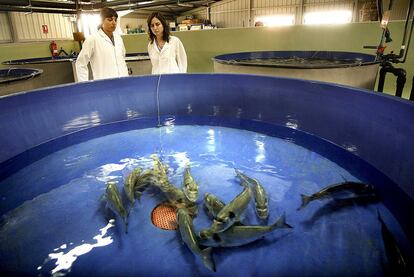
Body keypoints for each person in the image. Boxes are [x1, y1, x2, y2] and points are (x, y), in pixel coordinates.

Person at [75, 7, 128, 82]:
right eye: (110, 20)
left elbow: (122, 58)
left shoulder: (119, 39)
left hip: (123, 82)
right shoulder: (93, 39)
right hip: (104, 84)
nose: (114, 23)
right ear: (101, 21)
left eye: (115, 20)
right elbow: (80, 63)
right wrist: (84, 84)